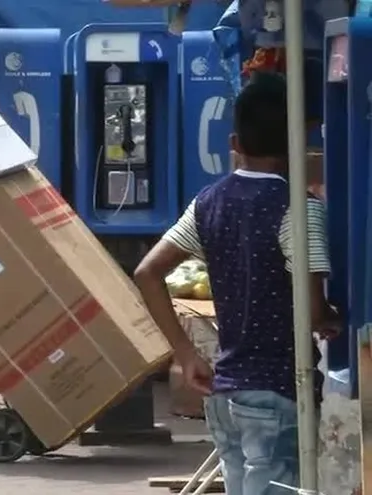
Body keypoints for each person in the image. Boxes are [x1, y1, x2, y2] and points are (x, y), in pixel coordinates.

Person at [133, 73, 337, 494]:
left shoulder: (208, 201)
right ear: (297, 146)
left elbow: (147, 273)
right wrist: (332, 318)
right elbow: (313, 311)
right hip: (278, 391)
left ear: (234, 143)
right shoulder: (299, 209)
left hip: (224, 393)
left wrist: (185, 354)